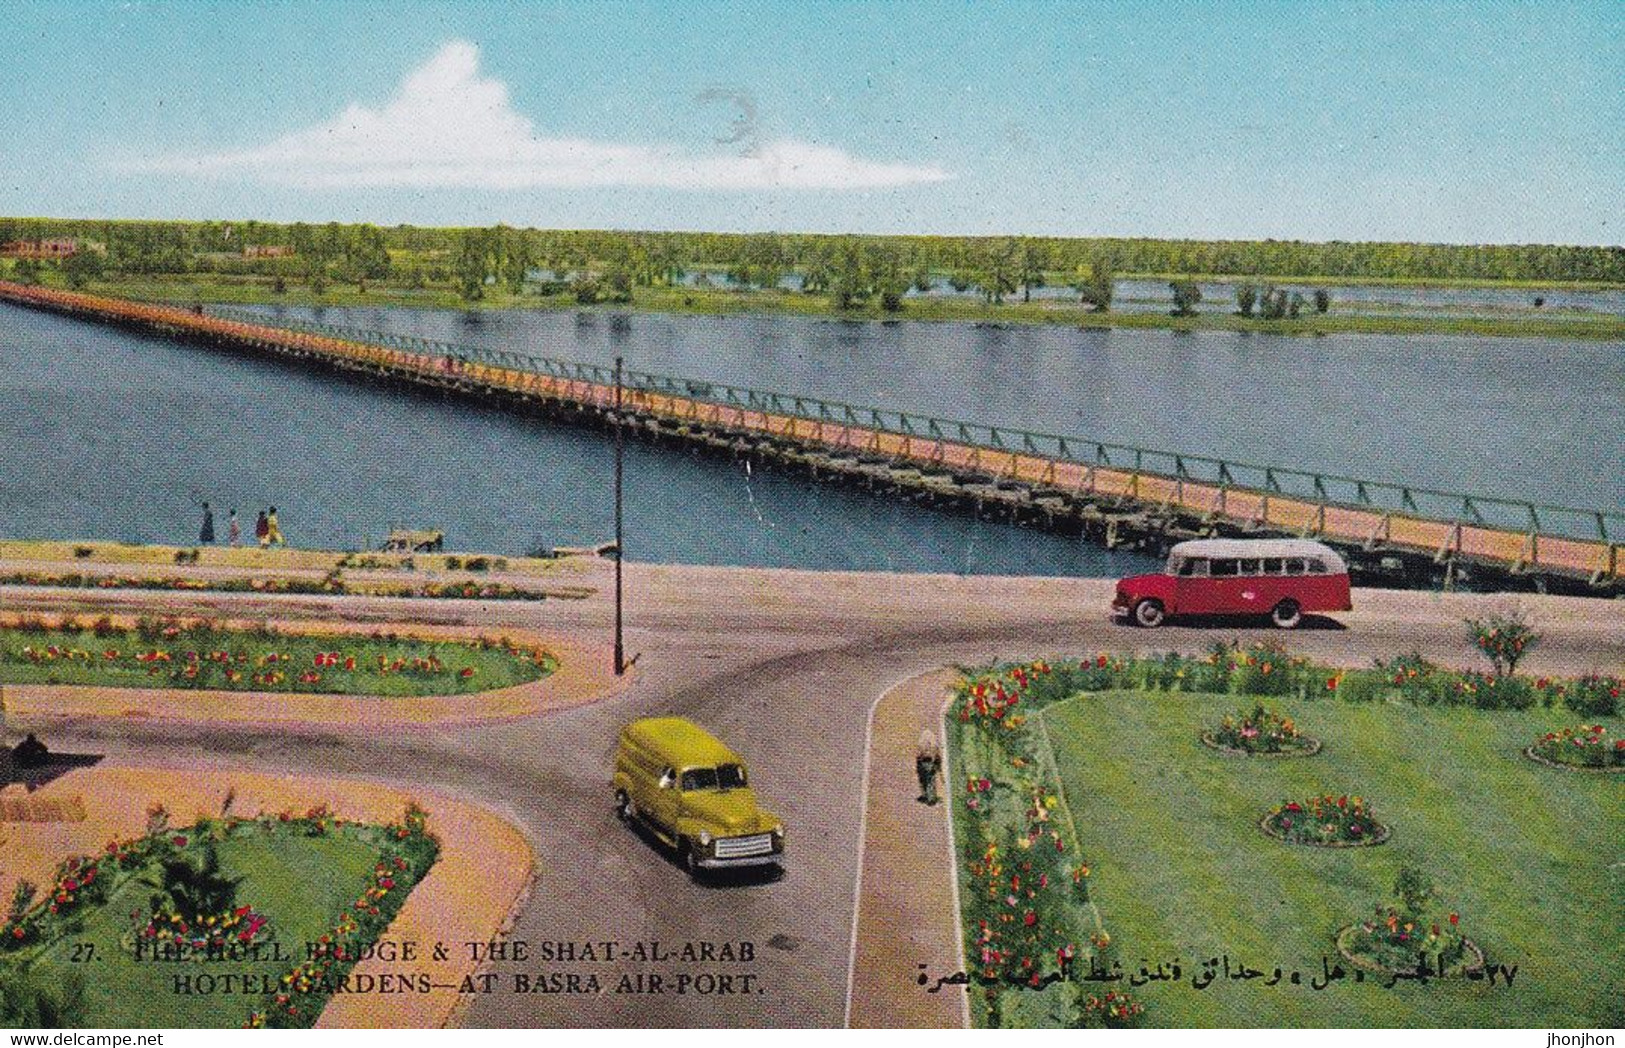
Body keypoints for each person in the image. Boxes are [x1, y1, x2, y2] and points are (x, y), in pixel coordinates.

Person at [916, 729, 942, 805]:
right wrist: (938, 765)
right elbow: (937, 754)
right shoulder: (934, 743)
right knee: (930, 781)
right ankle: (931, 797)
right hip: (931, 762)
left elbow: (918, 754)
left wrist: (918, 764)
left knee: (923, 780)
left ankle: (926, 796)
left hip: (923, 762)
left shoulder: (921, 743)